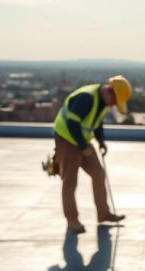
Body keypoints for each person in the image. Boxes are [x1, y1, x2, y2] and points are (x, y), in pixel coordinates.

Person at [53, 75, 131, 233]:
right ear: (109, 92)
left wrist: (101, 141)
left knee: (99, 174)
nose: (114, 105)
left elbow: (97, 123)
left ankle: (103, 213)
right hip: (67, 139)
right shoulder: (86, 98)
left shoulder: (102, 103)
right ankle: (72, 220)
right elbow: (72, 123)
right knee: (70, 182)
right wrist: (83, 146)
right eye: (115, 101)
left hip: (82, 141)